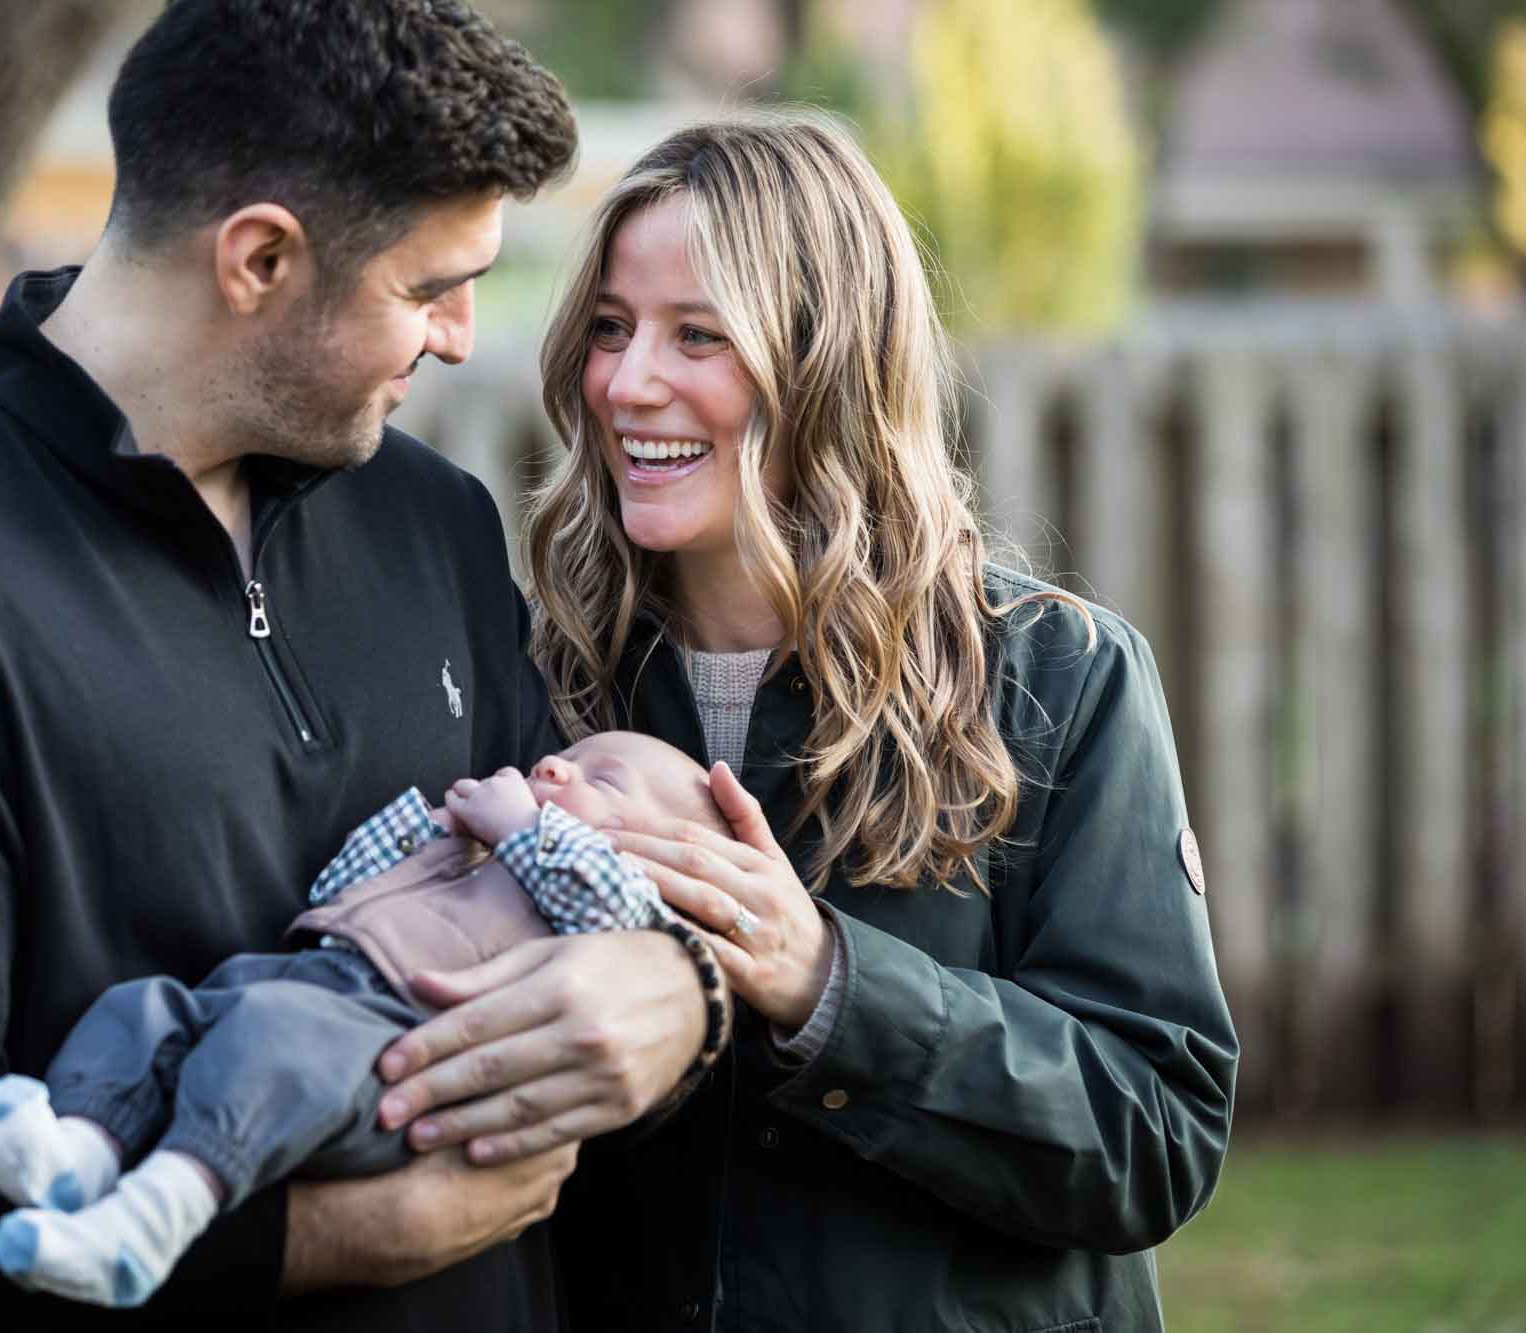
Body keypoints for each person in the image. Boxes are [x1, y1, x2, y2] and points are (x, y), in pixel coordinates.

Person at [0, 4, 716, 1328]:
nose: (464, 334)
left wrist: (677, 998)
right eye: (427, 287)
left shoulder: (435, 524)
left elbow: (569, 872)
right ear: (259, 260)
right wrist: (339, 1235)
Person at [508, 112, 1240, 1331]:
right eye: (608, 328)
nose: (628, 382)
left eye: (697, 334)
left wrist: (831, 985)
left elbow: (1151, 1130)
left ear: (829, 360)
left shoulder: (1056, 680)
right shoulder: (540, 673)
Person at [0, 732, 729, 1309]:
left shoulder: (624, 910)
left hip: (394, 1039)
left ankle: (155, 1213)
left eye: (603, 778)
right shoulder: (484, 854)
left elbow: (619, 910)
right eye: (565, 755)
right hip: (312, 979)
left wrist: (528, 828)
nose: (558, 766)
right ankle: (81, 1150)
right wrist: (430, 827)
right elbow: (337, 886)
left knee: (269, 1052)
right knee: (149, 1011)